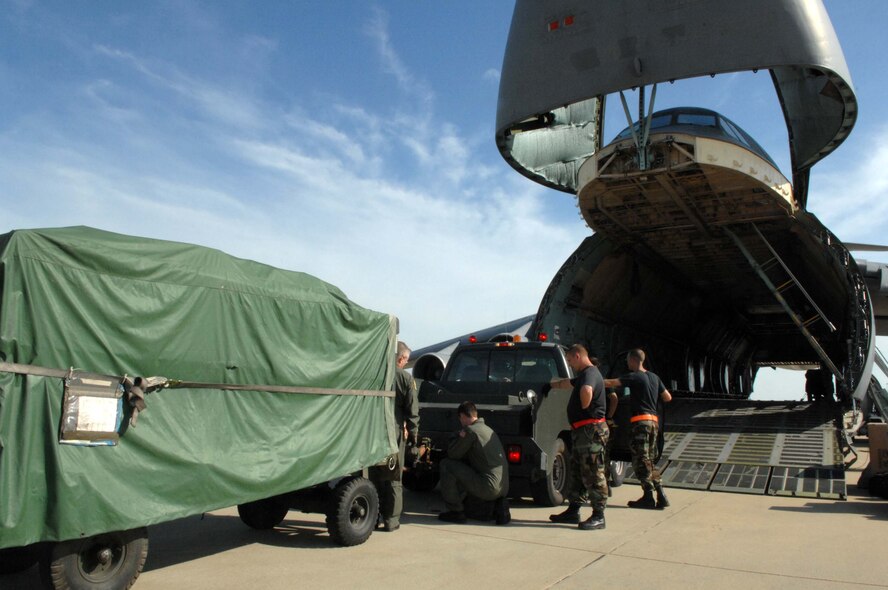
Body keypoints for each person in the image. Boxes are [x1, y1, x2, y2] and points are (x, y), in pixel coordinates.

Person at [548, 344, 610, 530]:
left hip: (591, 431)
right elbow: (568, 383)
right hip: (582, 432)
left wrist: (584, 404)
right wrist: (550, 386)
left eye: (569, 360)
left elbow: (587, 390)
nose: (569, 364)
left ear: (577, 356)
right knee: (578, 472)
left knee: (593, 472)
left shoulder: (590, 373)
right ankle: (573, 510)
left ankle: (599, 516)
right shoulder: (584, 375)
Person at [604, 348, 672, 510]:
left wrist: (592, 380)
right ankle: (660, 493)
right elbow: (667, 397)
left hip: (640, 423)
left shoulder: (634, 376)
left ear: (634, 360)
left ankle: (648, 497)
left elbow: (611, 383)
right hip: (654, 422)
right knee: (649, 460)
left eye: (628, 360)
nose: (627, 363)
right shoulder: (655, 377)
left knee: (640, 460)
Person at [437, 401, 511, 525]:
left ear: (463, 416)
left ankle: (455, 511)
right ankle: (498, 505)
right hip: (503, 488)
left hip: (489, 487)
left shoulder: (471, 431)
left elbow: (453, 454)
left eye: (460, 418)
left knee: (446, 465)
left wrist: (458, 437)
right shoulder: (488, 430)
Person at [374, 341, 420, 532]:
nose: (406, 363)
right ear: (401, 359)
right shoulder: (406, 379)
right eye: (406, 360)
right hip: (394, 433)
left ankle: (373, 517)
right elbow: (412, 411)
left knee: (374, 474)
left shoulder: (376, 373)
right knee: (393, 476)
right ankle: (391, 520)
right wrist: (414, 438)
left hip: (373, 431)